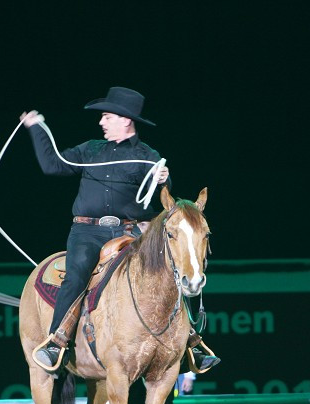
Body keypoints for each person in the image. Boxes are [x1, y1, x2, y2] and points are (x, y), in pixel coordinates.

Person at [20, 86, 219, 373]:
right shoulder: (90, 150)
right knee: (76, 275)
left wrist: (165, 178)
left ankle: (191, 341)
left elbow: (163, 194)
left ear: (125, 120)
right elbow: (53, 166)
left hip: (132, 233)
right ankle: (57, 341)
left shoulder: (148, 156)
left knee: (165, 274)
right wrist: (37, 129)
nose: (102, 122)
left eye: (107, 117)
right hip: (88, 233)